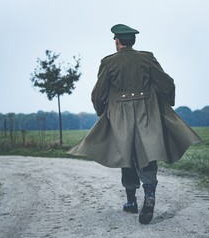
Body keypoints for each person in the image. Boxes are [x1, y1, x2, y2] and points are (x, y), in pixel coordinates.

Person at [68, 24, 201, 224]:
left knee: (126, 154)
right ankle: (149, 195)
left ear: (118, 41)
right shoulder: (147, 58)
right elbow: (167, 84)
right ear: (133, 41)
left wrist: (101, 111)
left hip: (119, 117)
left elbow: (98, 94)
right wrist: (165, 103)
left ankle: (131, 201)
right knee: (147, 154)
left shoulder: (108, 62)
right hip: (148, 114)